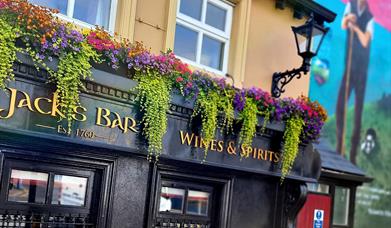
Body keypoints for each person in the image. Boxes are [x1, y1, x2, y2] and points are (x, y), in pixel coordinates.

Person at [336, 0, 374, 164]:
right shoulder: (350, 6)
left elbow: (365, 41)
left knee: (358, 112)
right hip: (349, 67)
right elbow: (342, 25)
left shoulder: (370, 17)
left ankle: (353, 152)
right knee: (340, 105)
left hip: (361, 73)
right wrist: (348, 19)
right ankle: (340, 146)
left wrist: (356, 27)